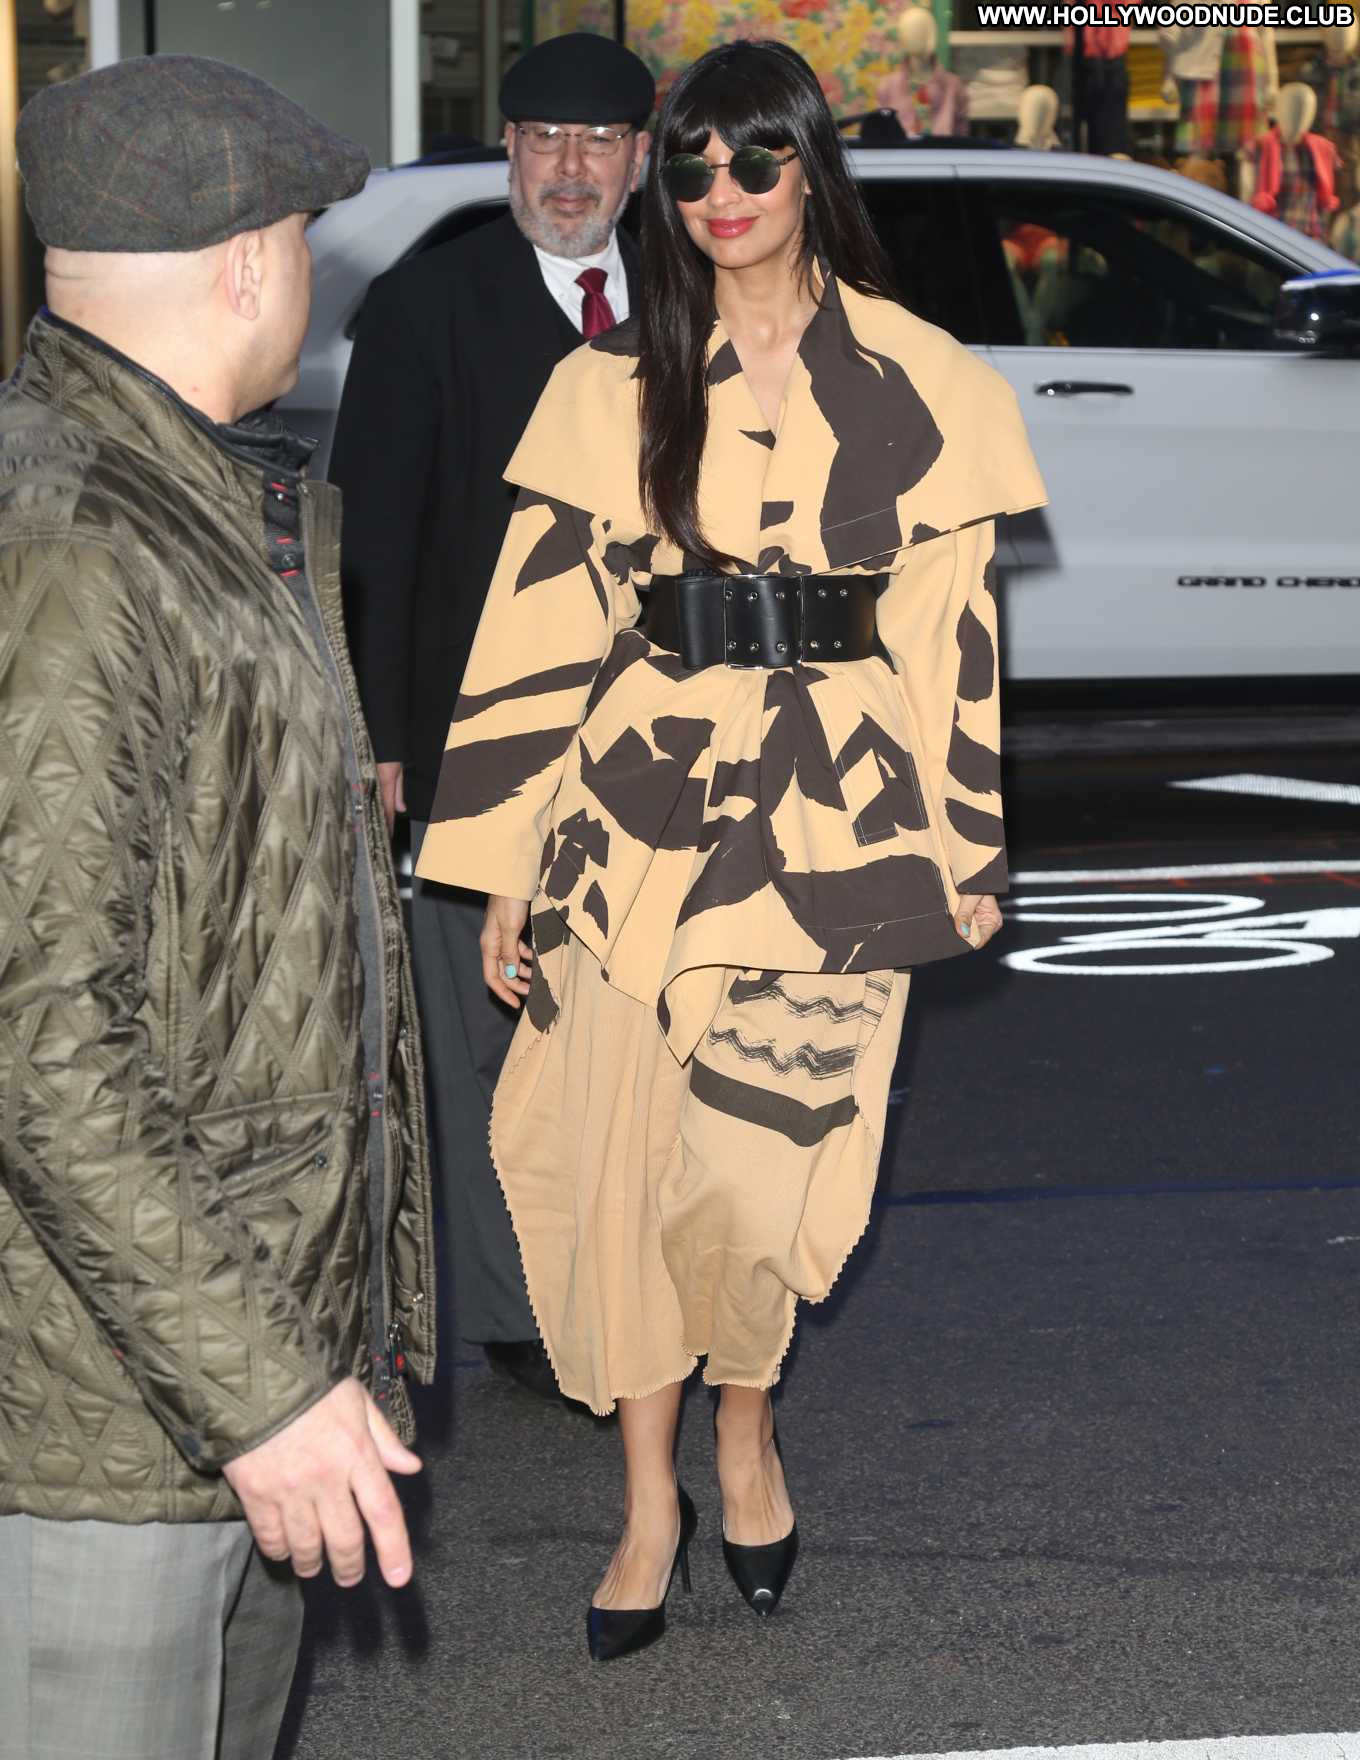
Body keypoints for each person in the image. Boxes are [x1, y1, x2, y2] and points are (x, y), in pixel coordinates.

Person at [415, 37, 1047, 1661]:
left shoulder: (924, 378)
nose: (720, 194)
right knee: (620, 1167)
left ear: (809, 168)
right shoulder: (607, 386)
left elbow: (954, 641)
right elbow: (537, 635)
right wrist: (501, 862)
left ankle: (745, 1421)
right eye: (691, 166)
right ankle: (650, 1504)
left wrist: (970, 844)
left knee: (763, 1187)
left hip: (840, 825)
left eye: (753, 160)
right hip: (629, 822)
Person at [0, 55, 433, 1757]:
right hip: (116, 1421)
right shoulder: (76, 544)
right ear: (251, 263)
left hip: (225, 1366)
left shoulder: (180, 495)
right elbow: (39, 1047)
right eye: (305, 241)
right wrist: (261, 1390)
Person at [329, 32, 653, 1405]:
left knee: (636, 1021)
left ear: (640, 161)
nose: (569, 170)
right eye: (544, 141)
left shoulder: (690, 294)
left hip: (659, 743)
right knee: (488, 1032)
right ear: (509, 151)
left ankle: (636, 1275)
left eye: (598, 143)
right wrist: (382, 738)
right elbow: (376, 539)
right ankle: (530, 1313)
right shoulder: (429, 304)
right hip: (479, 742)